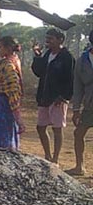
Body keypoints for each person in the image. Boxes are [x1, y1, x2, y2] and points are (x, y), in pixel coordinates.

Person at [31, 28, 75, 163]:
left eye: (51, 38)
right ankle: (47, 155)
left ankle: (55, 158)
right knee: (41, 127)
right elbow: (39, 72)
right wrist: (37, 57)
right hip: (44, 97)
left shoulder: (67, 57)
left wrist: (64, 96)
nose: (48, 41)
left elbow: (71, 79)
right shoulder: (47, 55)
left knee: (57, 128)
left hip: (58, 99)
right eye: (47, 38)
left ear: (60, 40)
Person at [0, 35, 25, 151]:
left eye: (0, 47)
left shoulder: (8, 65)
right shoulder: (10, 60)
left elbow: (12, 87)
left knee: (3, 132)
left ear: (7, 48)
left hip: (4, 102)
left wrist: (0, 87)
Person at [68, 29, 93, 176]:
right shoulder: (82, 60)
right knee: (78, 134)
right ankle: (79, 166)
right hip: (89, 105)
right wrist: (76, 109)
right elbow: (77, 86)